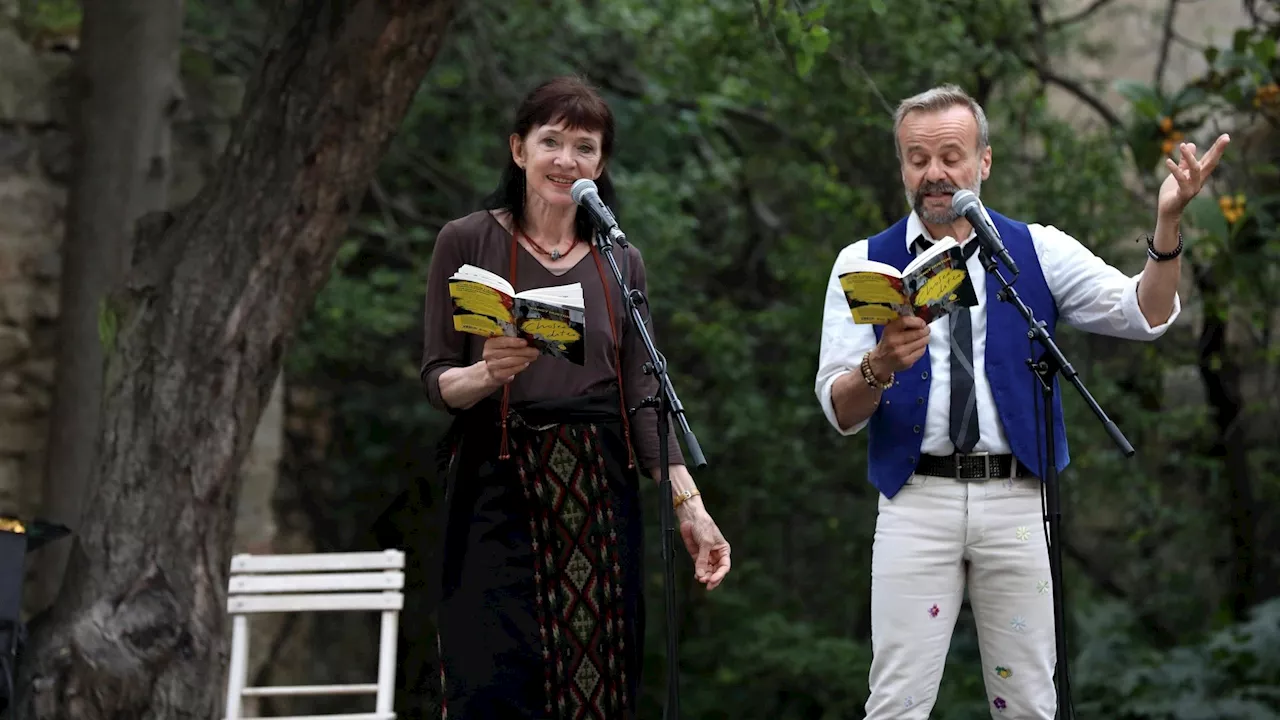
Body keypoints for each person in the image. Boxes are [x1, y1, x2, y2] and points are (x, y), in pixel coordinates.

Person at [814, 84, 1228, 718]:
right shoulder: (863, 263)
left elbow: (1146, 312)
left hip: (1016, 498)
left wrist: (1167, 224)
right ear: (901, 166)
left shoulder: (1032, 250)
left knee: (1030, 702)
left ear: (984, 162)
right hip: (914, 498)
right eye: (917, 159)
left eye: (951, 156)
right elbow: (839, 410)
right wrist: (879, 366)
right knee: (895, 702)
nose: (934, 174)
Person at [419, 75, 732, 720]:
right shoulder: (466, 240)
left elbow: (646, 396)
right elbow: (438, 378)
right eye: (550, 142)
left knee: (599, 679)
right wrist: (488, 373)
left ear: (601, 163)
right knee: (491, 678)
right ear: (518, 150)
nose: (566, 160)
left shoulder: (619, 261)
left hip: (596, 492)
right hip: (494, 484)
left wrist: (690, 506)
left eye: (584, 147)